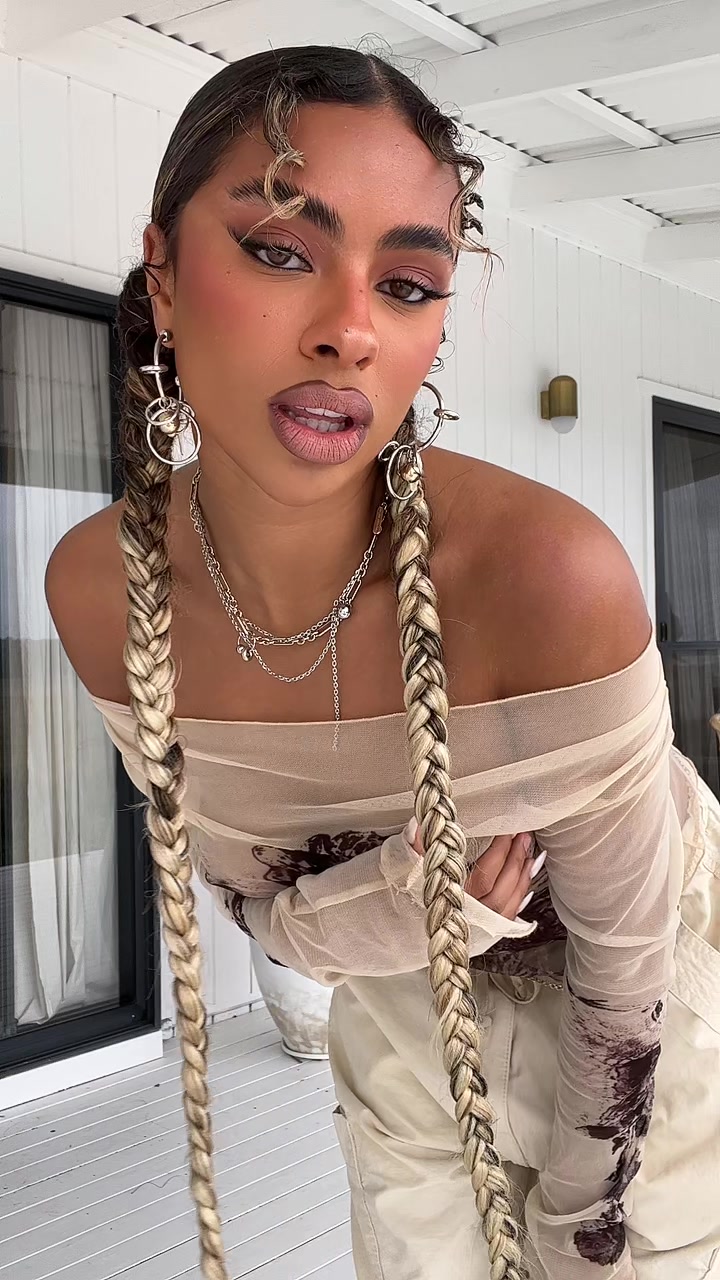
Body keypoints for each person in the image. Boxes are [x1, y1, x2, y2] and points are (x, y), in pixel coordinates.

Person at [45, 45, 720, 1280]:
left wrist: (580, 1232)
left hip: (654, 1001)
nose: (351, 330)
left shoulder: (548, 578)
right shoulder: (102, 590)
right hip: (408, 990)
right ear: (165, 273)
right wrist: (419, 901)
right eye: (280, 251)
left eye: (407, 283)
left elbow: (629, 980)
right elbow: (262, 920)